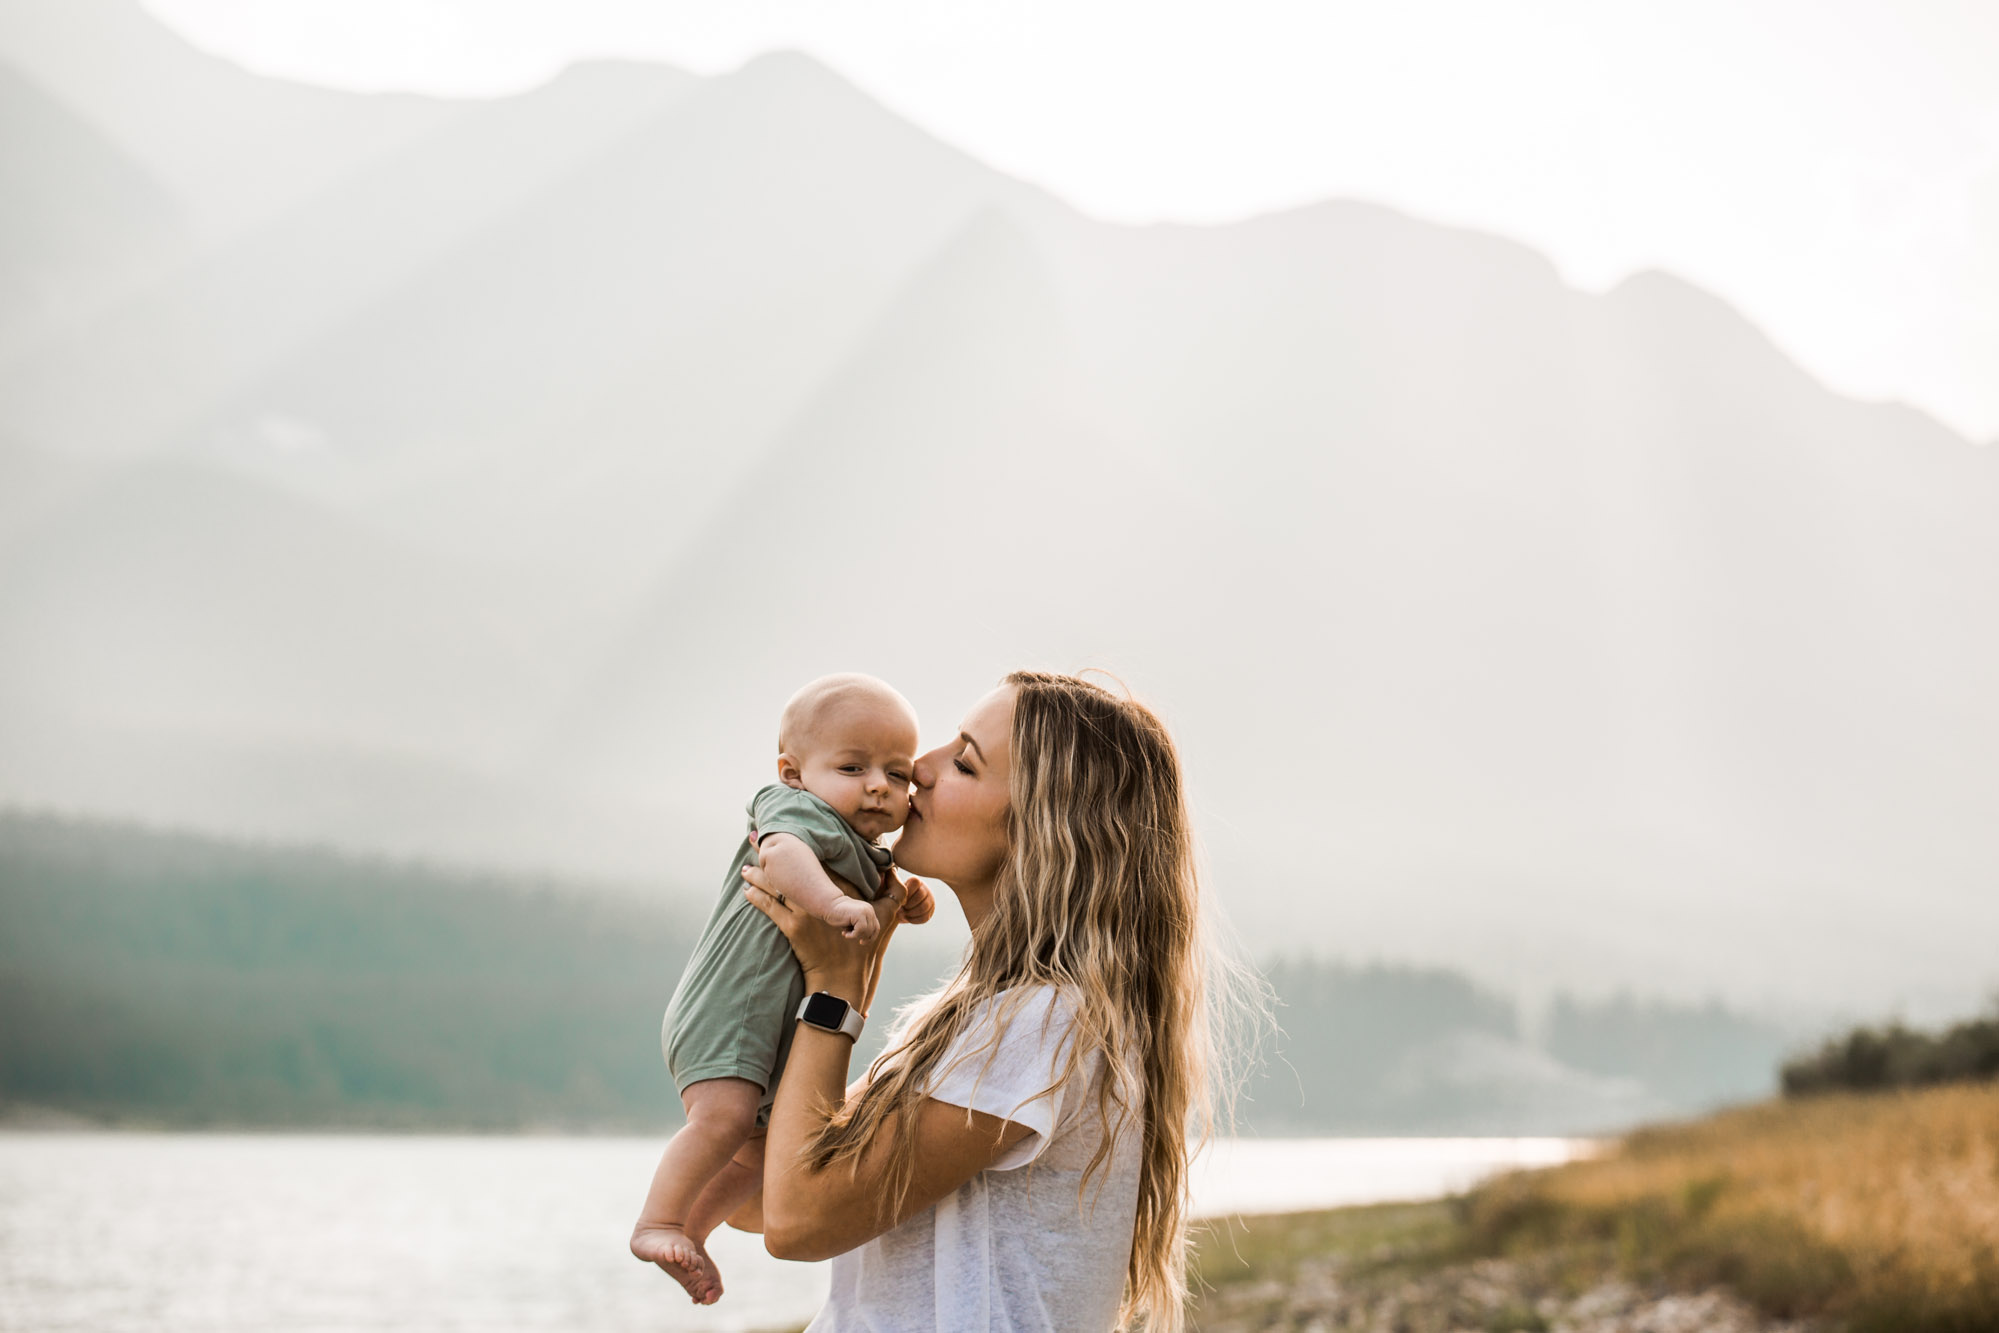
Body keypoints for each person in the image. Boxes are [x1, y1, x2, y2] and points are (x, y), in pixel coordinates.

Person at [734, 669, 1231, 1332]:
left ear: (1043, 831)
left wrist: (835, 990)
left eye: (963, 762)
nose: (919, 769)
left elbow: (797, 1220)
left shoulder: (1047, 1024)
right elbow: (758, 1195)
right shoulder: (970, 1018)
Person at [629, 673, 937, 1304]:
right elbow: (781, 859)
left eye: (898, 774)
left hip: (768, 1032)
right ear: (794, 772)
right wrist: (829, 901)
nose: (879, 785)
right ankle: (655, 1220)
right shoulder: (794, 810)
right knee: (726, 1120)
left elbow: (868, 928)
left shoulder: (869, 852)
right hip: (728, 1011)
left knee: (757, 1153)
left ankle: (691, 1229)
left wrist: (899, 903)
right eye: (853, 766)